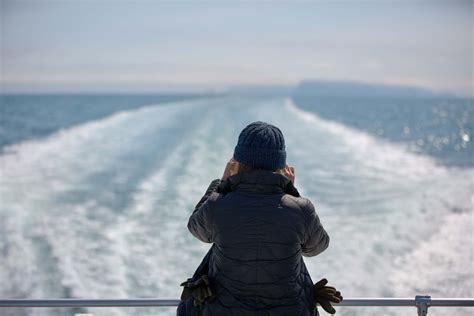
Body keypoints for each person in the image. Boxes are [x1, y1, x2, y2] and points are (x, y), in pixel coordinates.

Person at [178, 121, 340, 316]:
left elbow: (197, 229)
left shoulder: (218, 205)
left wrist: (221, 185)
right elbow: (317, 248)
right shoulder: (301, 208)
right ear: (280, 165)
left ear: (237, 163)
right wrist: (290, 192)